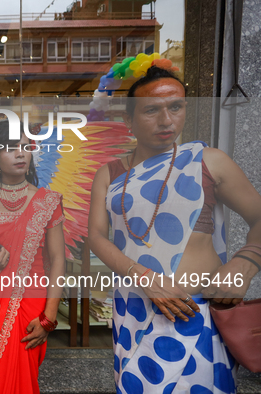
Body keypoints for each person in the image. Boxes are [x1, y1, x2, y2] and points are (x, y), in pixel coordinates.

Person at [88, 66, 261, 393]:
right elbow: (97, 236)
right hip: (136, 313)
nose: (166, 120)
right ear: (129, 121)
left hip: (198, 314)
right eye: (152, 110)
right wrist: (146, 279)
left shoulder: (208, 161)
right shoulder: (109, 174)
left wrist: (243, 266)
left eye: (176, 107)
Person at [0, 122, 66, 394]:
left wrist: (49, 317)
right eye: (10, 148)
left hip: (33, 306)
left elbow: (57, 261)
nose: (20, 154)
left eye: (25, 147)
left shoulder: (49, 201)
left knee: (23, 377)